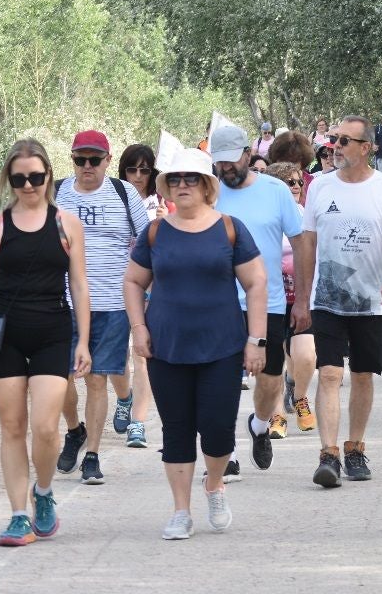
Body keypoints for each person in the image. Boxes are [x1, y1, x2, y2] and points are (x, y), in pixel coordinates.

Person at [0, 139, 91, 546]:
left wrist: (84, 342)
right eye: (20, 178)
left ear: (48, 176)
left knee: (45, 428)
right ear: (9, 179)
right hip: (3, 333)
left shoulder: (66, 224)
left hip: (52, 331)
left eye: (36, 177)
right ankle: (17, 515)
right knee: (12, 426)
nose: (29, 185)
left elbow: (80, 286)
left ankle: (42, 492)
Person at [123, 147, 268, 540]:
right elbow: (134, 281)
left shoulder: (229, 228)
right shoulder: (155, 232)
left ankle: (214, 485)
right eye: (174, 178)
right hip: (166, 347)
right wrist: (138, 327)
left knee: (218, 430)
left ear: (207, 185)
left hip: (222, 347)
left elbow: (256, 283)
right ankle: (180, 511)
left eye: (190, 178)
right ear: (166, 185)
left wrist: (257, 339)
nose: (181, 185)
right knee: (177, 429)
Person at [298, 116, 382, 487]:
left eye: (346, 141)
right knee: (330, 373)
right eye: (334, 139)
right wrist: (302, 297)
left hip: (371, 299)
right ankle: (328, 455)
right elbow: (309, 244)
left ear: (367, 148)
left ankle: (354, 448)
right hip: (328, 298)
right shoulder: (318, 186)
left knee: (363, 375)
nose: (336, 146)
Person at [209, 124, 307, 469]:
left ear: (248, 155)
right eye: (219, 163)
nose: (226, 169)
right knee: (220, 382)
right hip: (219, 303)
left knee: (269, 381)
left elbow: (300, 243)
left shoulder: (276, 190)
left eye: (231, 161)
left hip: (269, 303)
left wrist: (305, 299)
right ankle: (226, 453)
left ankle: (259, 425)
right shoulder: (210, 192)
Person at [56, 130, 150, 485]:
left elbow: (148, 241)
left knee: (96, 379)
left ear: (108, 161)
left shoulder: (124, 195)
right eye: (80, 159)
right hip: (62, 303)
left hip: (112, 304)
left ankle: (92, 454)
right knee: (61, 378)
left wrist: (144, 289)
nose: (87, 166)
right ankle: (74, 429)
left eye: (95, 159)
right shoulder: (58, 193)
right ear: (73, 161)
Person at [114, 144, 169, 449]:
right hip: (113, 285)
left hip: (149, 287)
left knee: (142, 355)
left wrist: (165, 220)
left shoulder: (163, 202)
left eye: (144, 169)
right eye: (131, 169)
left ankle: (138, 422)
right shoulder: (113, 197)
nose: (137, 175)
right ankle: (124, 397)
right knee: (114, 357)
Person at [263, 161, 318, 434]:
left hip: (301, 297)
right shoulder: (261, 217)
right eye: (290, 182)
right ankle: (276, 415)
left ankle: (300, 397)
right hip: (270, 298)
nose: (297, 186)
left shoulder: (306, 216)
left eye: (299, 181)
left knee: (306, 356)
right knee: (272, 360)